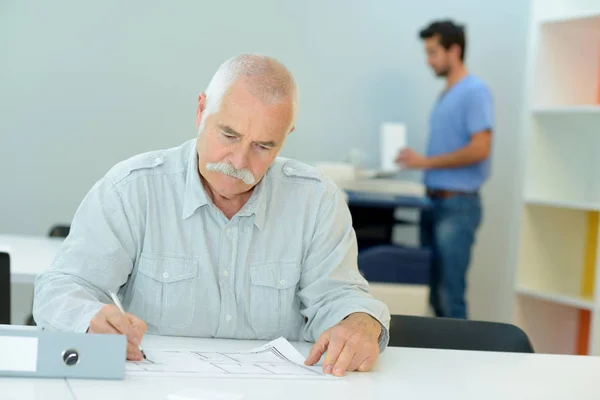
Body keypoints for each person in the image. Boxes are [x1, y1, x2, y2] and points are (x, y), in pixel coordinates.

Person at [33, 54, 390, 376]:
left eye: (263, 146)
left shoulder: (316, 201)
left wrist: (360, 322)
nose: (239, 162)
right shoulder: (132, 190)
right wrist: (87, 319)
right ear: (202, 111)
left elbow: (340, 297)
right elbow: (62, 286)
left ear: (285, 137)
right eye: (229, 134)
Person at [396, 21, 494, 319]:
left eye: (433, 52)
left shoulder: (474, 91)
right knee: (434, 294)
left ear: (455, 50)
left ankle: (462, 364)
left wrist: (424, 162)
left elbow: (481, 148)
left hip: (457, 205)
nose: (429, 60)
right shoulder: (447, 93)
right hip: (434, 202)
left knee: (449, 295)